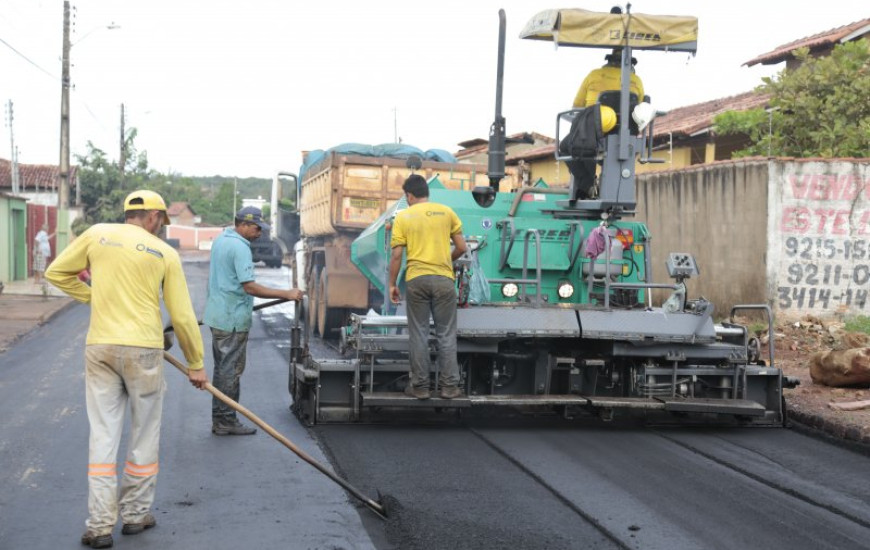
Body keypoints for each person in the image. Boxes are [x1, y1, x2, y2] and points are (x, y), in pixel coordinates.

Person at [45, 189, 206, 549]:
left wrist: (95, 296)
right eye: (161, 221)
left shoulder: (97, 234)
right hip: (144, 351)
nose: (161, 227)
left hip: (100, 346)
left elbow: (57, 272)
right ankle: (134, 515)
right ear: (152, 216)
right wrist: (196, 364)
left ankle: (100, 525)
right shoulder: (163, 253)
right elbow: (181, 316)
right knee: (144, 432)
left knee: (103, 435)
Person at [203, 206, 303, 435]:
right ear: (244, 225)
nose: (260, 233)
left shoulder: (221, 240)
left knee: (222, 369)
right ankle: (226, 420)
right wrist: (287, 294)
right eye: (257, 228)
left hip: (218, 315)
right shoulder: (239, 247)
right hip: (232, 319)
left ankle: (221, 418)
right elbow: (249, 286)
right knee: (230, 372)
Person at [389, 174, 467, 400]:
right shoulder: (446, 212)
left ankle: (420, 387)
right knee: (446, 334)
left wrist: (393, 284)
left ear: (409, 195)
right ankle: (450, 387)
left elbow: (396, 256)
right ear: (427, 193)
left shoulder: (404, 217)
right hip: (444, 280)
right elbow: (461, 247)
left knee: (419, 334)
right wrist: (445, 261)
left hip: (416, 280)